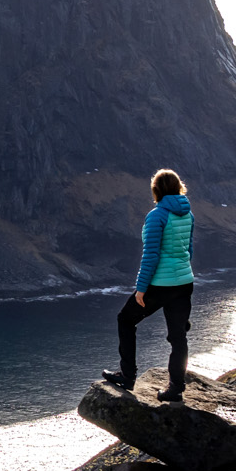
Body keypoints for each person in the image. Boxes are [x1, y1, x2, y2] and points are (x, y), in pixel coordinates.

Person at [102, 168, 194, 402]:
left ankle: (127, 375)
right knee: (178, 336)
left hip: (160, 285)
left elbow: (151, 255)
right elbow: (188, 250)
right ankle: (175, 389)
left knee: (125, 319)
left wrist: (141, 289)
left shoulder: (157, 215)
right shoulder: (188, 214)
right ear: (177, 187)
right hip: (184, 283)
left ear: (157, 190)